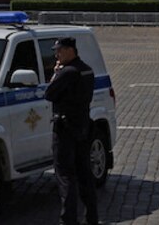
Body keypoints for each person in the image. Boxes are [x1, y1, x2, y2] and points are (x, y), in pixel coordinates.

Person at [44, 37, 99, 225]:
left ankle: (68, 220)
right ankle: (91, 217)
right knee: (84, 174)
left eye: (59, 51)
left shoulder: (67, 72)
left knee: (65, 176)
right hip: (82, 127)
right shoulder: (86, 70)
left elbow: (49, 94)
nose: (56, 55)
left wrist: (55, 74)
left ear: (69, 51)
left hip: (65, 130)